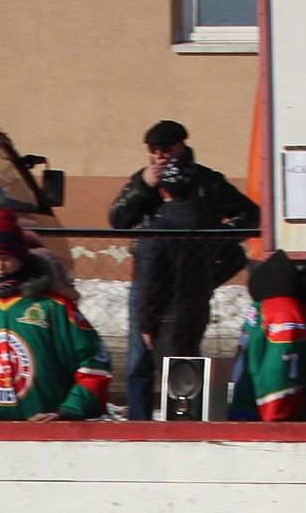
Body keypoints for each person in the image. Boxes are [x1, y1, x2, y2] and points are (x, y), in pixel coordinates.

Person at [108, 120, 258, 418]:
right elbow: (117, 219)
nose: (160, 156)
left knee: (183, 355)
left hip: (190, 279)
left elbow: (250, 214)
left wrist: (215, 241)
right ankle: (139, 419)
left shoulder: (206, 181)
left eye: (166, 149)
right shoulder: (145, 180)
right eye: (153, 150)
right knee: (139, 356)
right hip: (149, 274)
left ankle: (184, 415)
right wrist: (142, 188)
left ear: (182, 146)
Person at [0, 208, 112, 421]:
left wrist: (69, 410)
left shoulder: (54, 307)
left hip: (47, 431)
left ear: (23, 260)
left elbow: (95, 361)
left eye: (6, 258)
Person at [229, 239, 306, 421]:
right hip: (264, 426)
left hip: (247, 414)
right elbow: (278, 381)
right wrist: (285, 429)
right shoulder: (288, 313)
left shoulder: (275, 304)